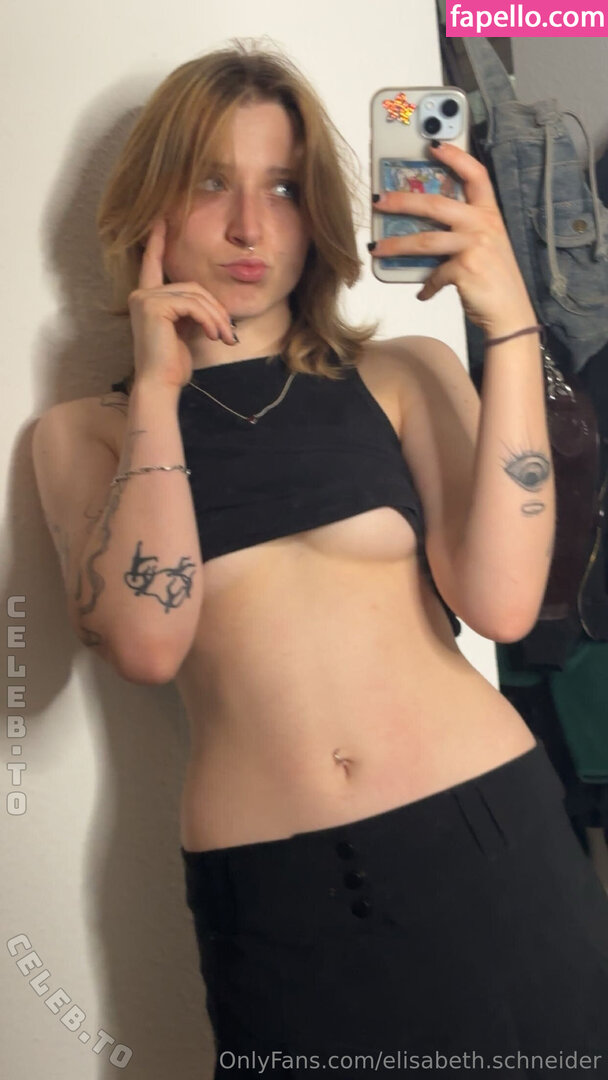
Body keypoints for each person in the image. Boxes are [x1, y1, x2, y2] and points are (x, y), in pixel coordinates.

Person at [32, 42, 608, 1078]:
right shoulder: (89, 434)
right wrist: (158, 394)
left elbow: (504, 603)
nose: (250, 228)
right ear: (151, 203)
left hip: (490, 842)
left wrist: (511, 322)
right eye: (212, 181)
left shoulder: (400, 374)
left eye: (286, 188)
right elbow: (147, 644)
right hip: (277, 898)